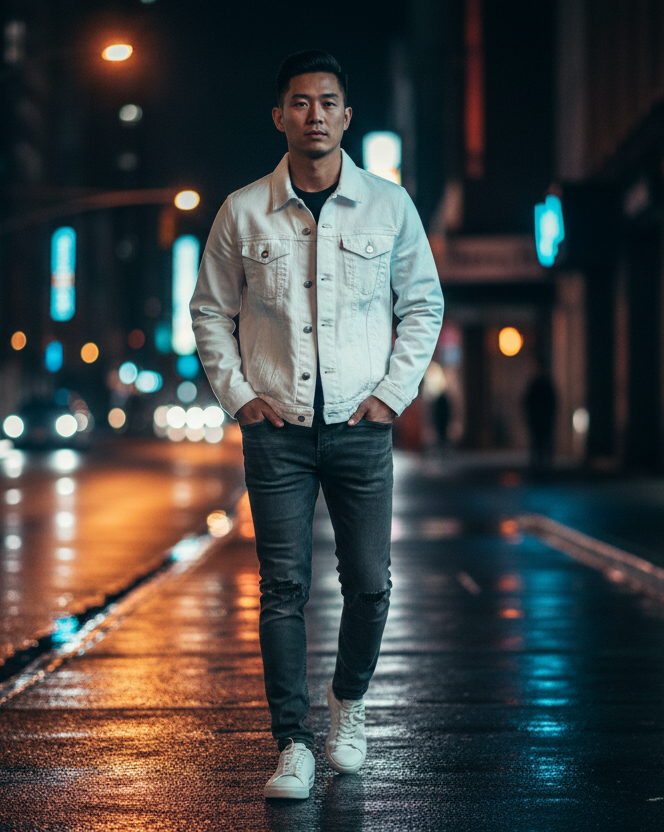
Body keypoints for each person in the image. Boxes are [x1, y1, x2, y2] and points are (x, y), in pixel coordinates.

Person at [191, 50, 444, 799]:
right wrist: (240, 396)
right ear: (280, 116)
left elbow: (422, 304)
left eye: (328, 102)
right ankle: (293, 743)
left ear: (347, 116)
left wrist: (392, 395)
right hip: (278, 430)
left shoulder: (389, 206)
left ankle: (349, 701)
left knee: (369, 584)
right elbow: (209, 311)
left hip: (362, 427)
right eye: (300, 103)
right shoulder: (242, 211)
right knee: (282, 588)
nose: (315, 115)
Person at [523, 360, 557, 470]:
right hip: (541, 418)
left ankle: (540, 463)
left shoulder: (539, 384)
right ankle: (542, 463)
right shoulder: (542, 384)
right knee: (541, 441)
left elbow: (527, 402)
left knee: (539, 441)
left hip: (539, 418)